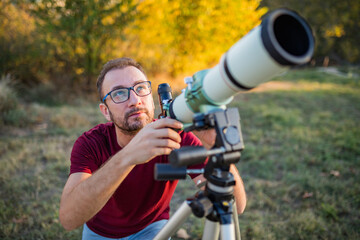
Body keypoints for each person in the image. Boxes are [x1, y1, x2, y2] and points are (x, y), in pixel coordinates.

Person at [59, 57, 246, 239]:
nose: (134, 100)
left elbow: (235, 206)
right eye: (119, 93)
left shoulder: (175, 136)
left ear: (152, 96)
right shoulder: (90, 144)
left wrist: (214, 146)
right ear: (106, 111)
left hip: (153, 228)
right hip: (100, 233)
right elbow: (68, 219)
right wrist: (128, 156)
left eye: (140, 88)